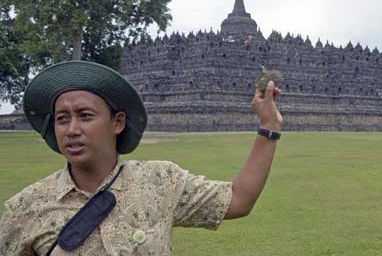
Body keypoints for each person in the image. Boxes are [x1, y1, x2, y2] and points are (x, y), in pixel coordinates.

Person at [0, 60, 283, 255]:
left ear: (117, 122)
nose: (72, 129)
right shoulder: (25, 208)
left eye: (85, 116)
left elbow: (238, 200)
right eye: (62, 119)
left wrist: (268, 126)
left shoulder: (161, 181)